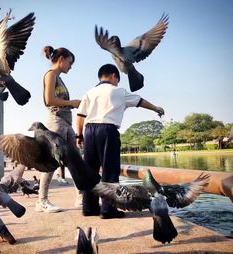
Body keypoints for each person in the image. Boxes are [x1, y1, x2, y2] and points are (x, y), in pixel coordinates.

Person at [76, 64, 164, 219]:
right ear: (113, 76)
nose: (117, 83)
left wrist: (79, 136)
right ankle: (108, 209)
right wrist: (156, 108)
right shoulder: (119, 91)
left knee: (90, 171)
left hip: (89, 131)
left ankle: (89, 208)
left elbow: (80, 115)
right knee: (110, 171)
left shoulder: (89, 92)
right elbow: (140, 101)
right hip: (107, 131)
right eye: (117, 79)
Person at [35, 46, 83, 213]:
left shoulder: (60, 78)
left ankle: (80, 196)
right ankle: (41, 201)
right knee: (53, 161)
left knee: (75, 159)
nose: (71, 66)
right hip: (55, 121)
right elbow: (49, 100)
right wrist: (72, 103)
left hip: (66, 122)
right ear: (61, 59)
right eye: (70, 62)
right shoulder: (51, 74)